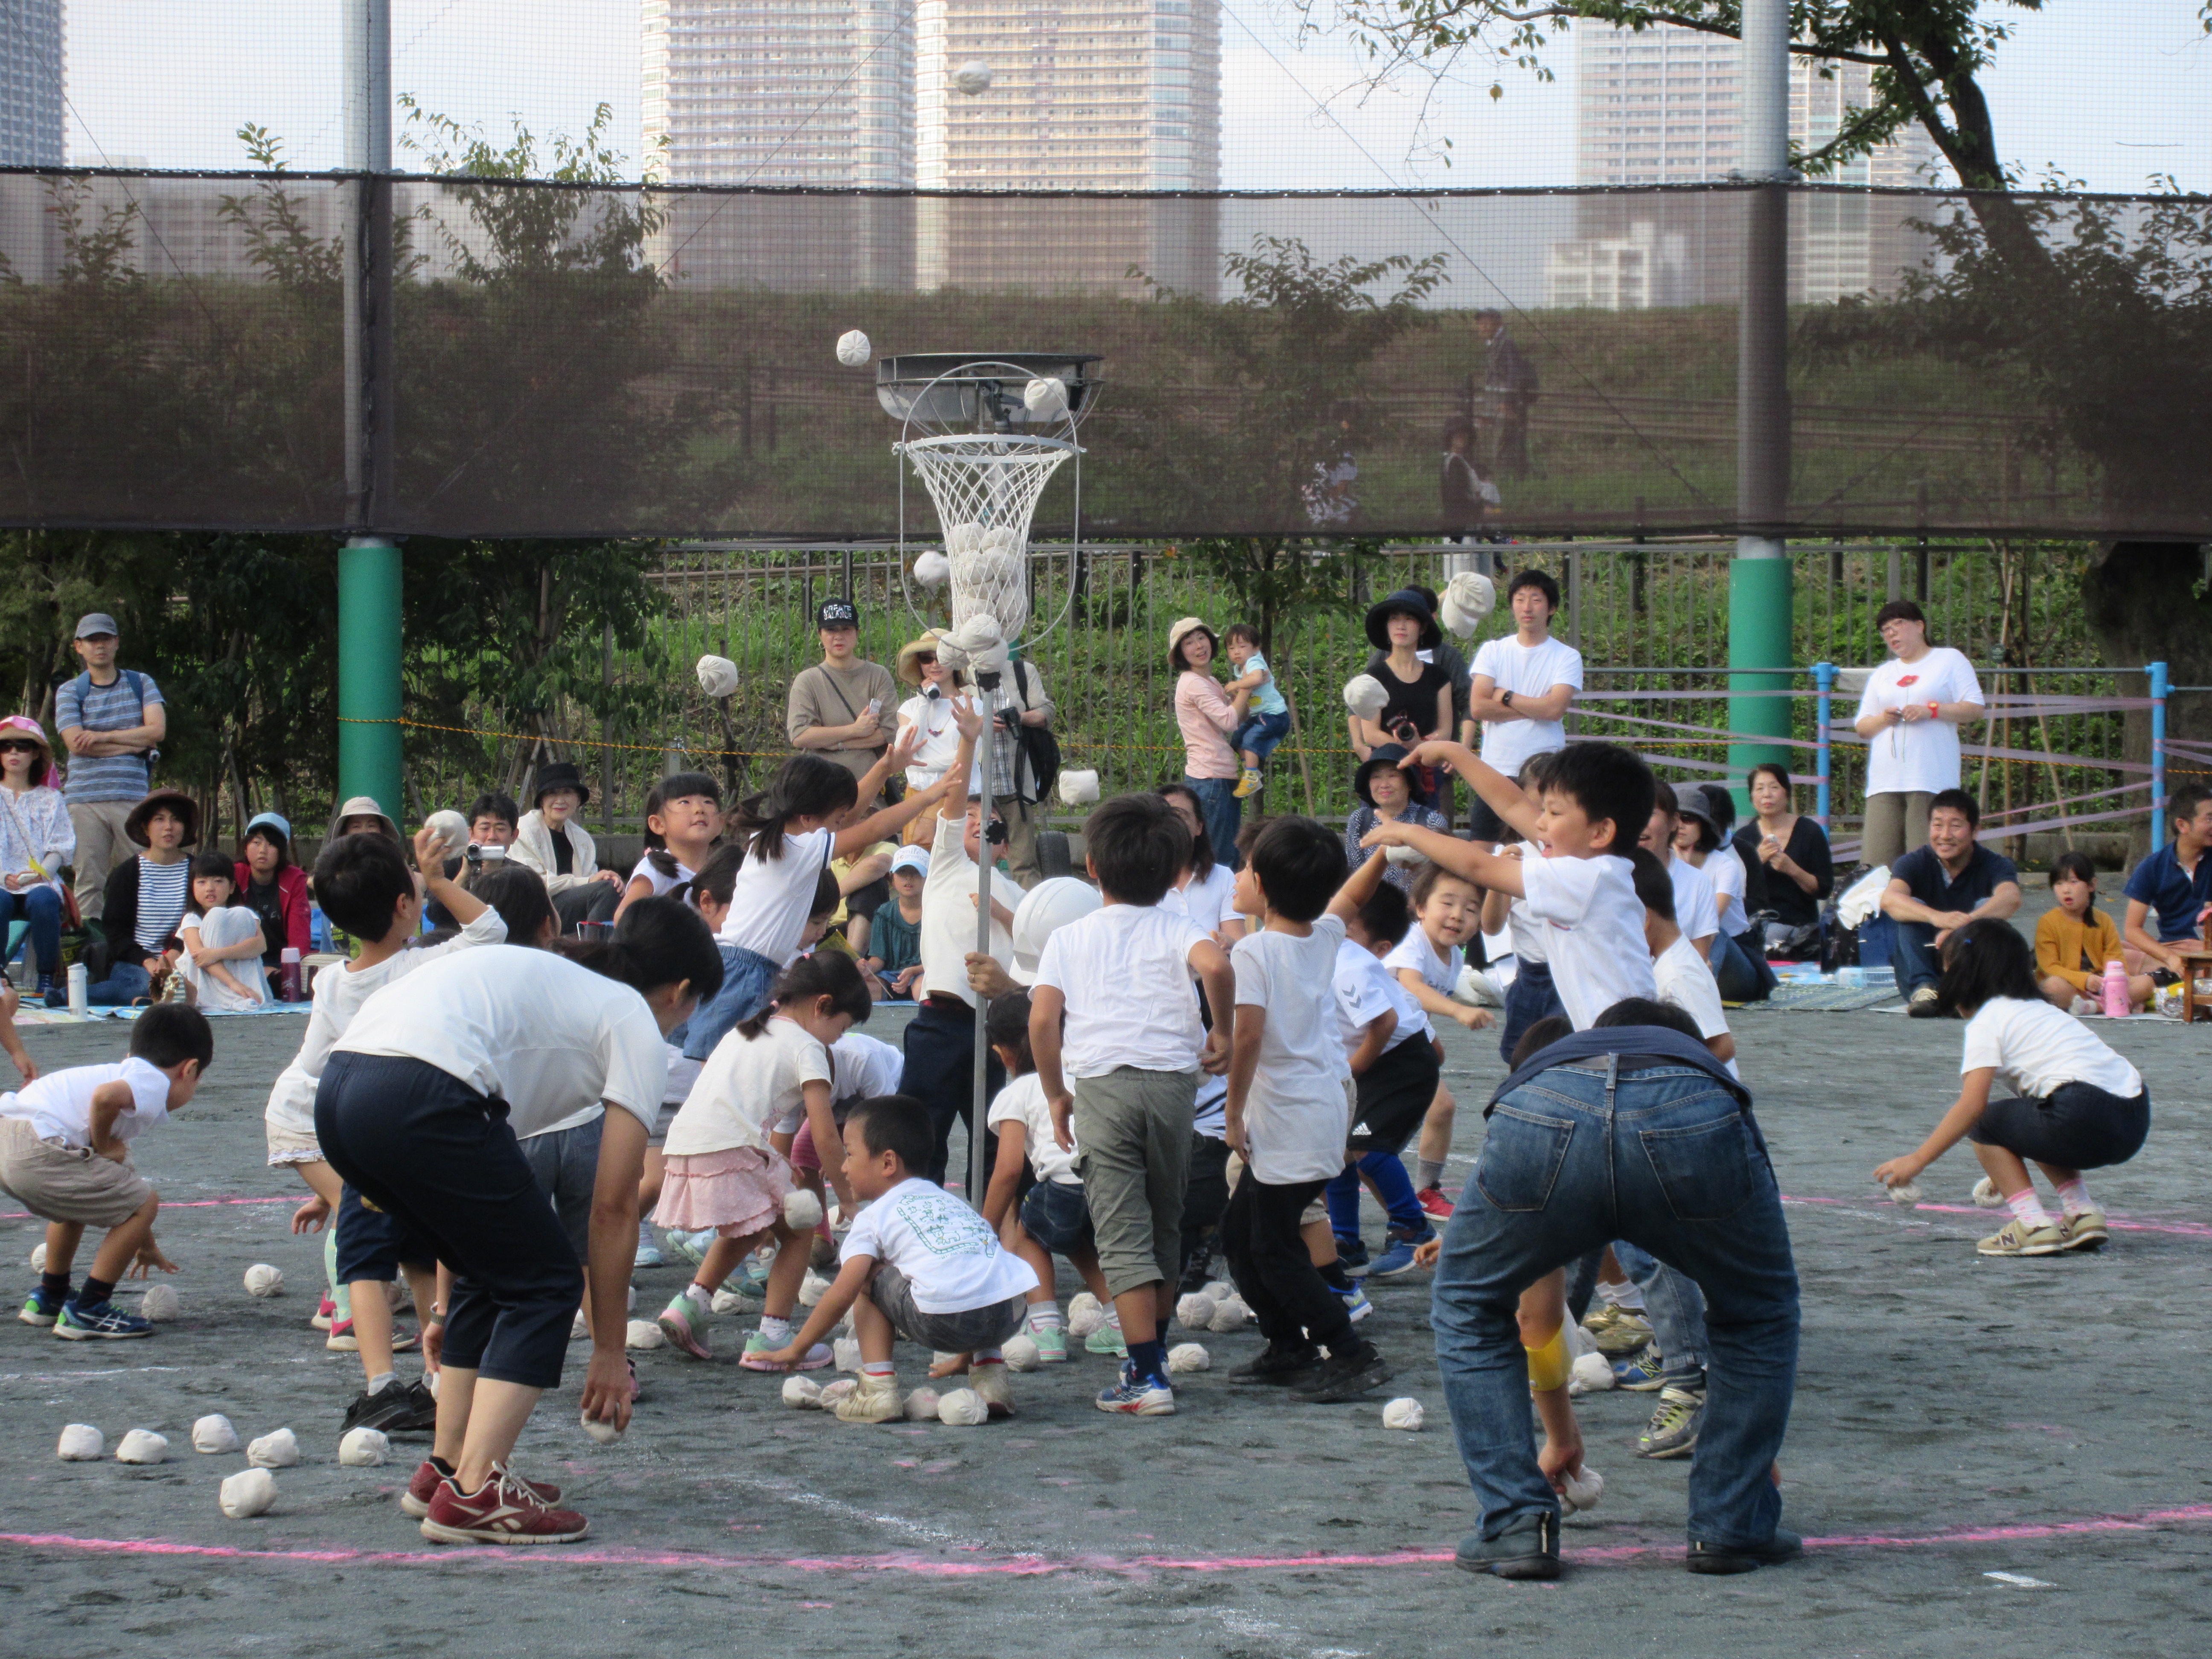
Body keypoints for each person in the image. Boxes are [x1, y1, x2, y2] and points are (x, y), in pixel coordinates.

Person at [318, 898, 720, 1545]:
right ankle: (477, 1491)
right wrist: (611, 1352)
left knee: (496, 1270)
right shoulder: (633, 1024)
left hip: (341, 1092)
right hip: (414, 1090)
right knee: (548, 1281)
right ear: (680, 991)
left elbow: (488, 1207)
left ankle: (447, 1469)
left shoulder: (554, 990)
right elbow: (614, 1204)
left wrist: (446, 1311)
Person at [1433, 999, 1801, 1580]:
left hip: (1543, 1111)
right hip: (1691, 1118)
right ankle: (1730, 1523)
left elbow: (1537, 1319)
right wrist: (1748, 1461)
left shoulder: (1560, 1059)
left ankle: (1515, 1524)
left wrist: (1560, 1431)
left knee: (1468, 1306)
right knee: (1759, 1314)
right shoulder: (1703, 1071)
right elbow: (1760, 1310)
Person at [268, 828, 507, 1428]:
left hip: (361, 1138)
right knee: (426, 1253)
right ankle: (436, 1379)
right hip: (421, 1134)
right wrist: (441, 879)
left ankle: (381, 1387)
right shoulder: (425, 965)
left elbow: (317, 1065)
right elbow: (491, 931)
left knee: (367, 1262)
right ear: (406, 905)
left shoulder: (329, 983)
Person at [1030, 793, 1236, 1416]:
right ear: (1178, 871)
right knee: (1163, 1220)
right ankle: (1152, 1356)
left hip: (1103, 1088)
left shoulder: (1069, 937)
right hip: (1174, 1088)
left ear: (1090, 867)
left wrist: (1055, 1094)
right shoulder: (1182, 927)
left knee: (1120, 1231)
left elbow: (1042, 1021)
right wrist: (1220, 1032)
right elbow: (1217, 967)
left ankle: (1147, 1377)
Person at [1219, 815, 1394, 1402]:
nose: (1238, 876)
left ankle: (1349, 1351)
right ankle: (1287, 1344)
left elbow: (1246, 1038)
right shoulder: (1322, 935)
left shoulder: (1254, 952)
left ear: (1263, 886)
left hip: (1289, 1119)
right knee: (1241, 1236)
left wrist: (1232, 1113)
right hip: (1317, 1110)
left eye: (1246, 869)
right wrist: (1385, 852)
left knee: (1271, 1246)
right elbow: (1355, 894)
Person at [759, 1094, 1040, 1423]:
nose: (843, 1167)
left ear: (888, 1163)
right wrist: (968, 1353)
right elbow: (978, 1284)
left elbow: (843, 1292)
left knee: (867, 1276)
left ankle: (878, 1391)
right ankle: (992, 1381)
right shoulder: (951, 1203)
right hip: (1011, 1312)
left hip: (944, 1320)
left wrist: (799, 1347)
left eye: (850, 1155)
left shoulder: (872, 1218)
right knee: (973, 1268)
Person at [1876, 919, 2148, 1257]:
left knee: (1985, 1121)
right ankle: (2082, 1212)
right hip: (2134, 1117)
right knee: (2037, 1107)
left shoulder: (1989, 1021)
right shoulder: (2043, 1011)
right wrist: (2006, 1167)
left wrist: (1916, 1160)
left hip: (2081, 1112)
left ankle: (2032, 1224)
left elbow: (1972, 1107)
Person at [653, 952, 872, 1367]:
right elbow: (825, 1134)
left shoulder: (749, 1030)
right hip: (732, 1146)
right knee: (798, 1228)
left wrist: (771, 1159)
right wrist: (847, 1198)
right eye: (841, 1029)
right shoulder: (808, 1048)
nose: (837, 1041)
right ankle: (772, 1335)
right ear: (822, 1005)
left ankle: (689, 1305)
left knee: (749, 1227)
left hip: (687, 1142)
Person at [681, 719, 939, 1063]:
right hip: (747, 973)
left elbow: (850, 817)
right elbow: (873, 827)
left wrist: (884, 768)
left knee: (735, 1062)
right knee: (714, 1062)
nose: (843, 824)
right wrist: (932, 795)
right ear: (807, 817)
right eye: (836, 818)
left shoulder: (775, 840)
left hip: (742, 967)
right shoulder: (796, 851)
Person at [1360, 740, 1657, 1032]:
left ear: (1601, 831)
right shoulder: (1591, 863)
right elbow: (1513, 805)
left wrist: (1409, 832)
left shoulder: (1582, 877)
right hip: (1618, 1042)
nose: (1540, 824)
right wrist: (1456, 753)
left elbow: (1478, 866)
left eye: (1554, 813)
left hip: (1623, 1050)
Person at [4, 1002, 210, 1340]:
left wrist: (146, 1246)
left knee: (80, 1199)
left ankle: (50, 1296)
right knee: (147, 1201)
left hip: (9, 1137)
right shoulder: (153, 1082)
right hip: (37, 1147)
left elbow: (125, 1187)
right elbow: (103, 1099)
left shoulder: (125, 1073)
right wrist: (102, 1144)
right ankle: (90, 1307)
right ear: (190, 1070)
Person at [978, 989, 1112, 1368]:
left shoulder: (1017, 1091)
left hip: (1063, 1183)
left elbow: (1007, 1170)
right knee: (1075, 1240)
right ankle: (1120, 1321)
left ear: (1003, 1052)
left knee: (1029, 1233)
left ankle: (1045, 1326)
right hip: (1105, 1179)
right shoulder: (1082, 1071)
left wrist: (985, 1226)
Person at [1327, 859, 1442, 1274]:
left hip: (1398, 1065)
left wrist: (1350, 1072)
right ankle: (1344, 1241)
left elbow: (1388, 1023)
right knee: (1336, 1151)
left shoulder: (1347, 962)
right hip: (1389, 1060)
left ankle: (1413, 1229)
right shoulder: (1327, 952)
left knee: (1367, 1149)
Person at [1851, 600, 1987, 868]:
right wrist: (1883, 718)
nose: (1891, 633)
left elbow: (1975, 708)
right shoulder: (1883, 674)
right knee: (1876, 869)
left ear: (1920, 626)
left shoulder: (1949, 660)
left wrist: (1932, 711)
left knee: (1927, 864)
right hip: (1885, 782)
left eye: (1898, 624)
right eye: (1885, 630)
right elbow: (1863, 727)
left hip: (1930, 778)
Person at [53, 612, 164, 928]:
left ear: (116, 643)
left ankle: (146, 947)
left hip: (132, 798)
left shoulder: (140, 683)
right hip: (85, 800)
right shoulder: (70, 691)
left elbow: (157, 731)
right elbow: (75, 743)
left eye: (105, 639)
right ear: (79, 646)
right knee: (89, 880)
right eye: (91, 640)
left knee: (142, 874)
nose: (99, 646)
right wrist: (134, 743)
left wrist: (102, 736)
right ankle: (91, 950)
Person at [1462, 570, 1582, 846]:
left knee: (1543, 847)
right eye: (1520, 599)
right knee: (1482, 851)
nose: (1527, 607)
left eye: (1536, 600)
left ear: (1551, 608)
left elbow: (1555, 710)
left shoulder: (1566, 656)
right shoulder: (1493, 651)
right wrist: (1535, 707)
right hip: (1495, 769)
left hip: (1544, 771)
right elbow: (1479, 707)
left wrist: (1505, 697)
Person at [1879, 789, 2021, 1015]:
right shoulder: (1914, 862)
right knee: (1909, 909)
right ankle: (1924, 990)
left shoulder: (1996, 864)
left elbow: (2011, 898)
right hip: (1926, 962)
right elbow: (1890, 900)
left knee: (1986, 906)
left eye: (1956, 826)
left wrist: (1966, 925)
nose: (1945, 835)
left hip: (1972, 970)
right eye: (1938, 825)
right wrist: (1936, 917)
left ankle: (1968, 992)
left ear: (1975, 830)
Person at [1482, 754, 1570, 1064]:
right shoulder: (1512, 853)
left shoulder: (1575, 855)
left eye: (1555, 803)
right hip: (1532, 975)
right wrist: (1499, 880)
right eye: (1540, 798)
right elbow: (1491, 926)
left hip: (1569, 971)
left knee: (1562, 1054)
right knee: (1520, 1056)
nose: (1545, 811)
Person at [1359, 586, 1473, 823]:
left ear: (1422, 627)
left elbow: (1445, 729)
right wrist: (1404, 747)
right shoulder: (1373, 676)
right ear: (1386, 627)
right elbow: (1370, 732)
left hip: (1427, 771)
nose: (1401, 626)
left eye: (1409, 619)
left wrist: (1419, 746)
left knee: (1431, 845)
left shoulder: (1439, 676)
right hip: (1387, 773)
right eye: (1394, 619)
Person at [79, 789, 197, 1007]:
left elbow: (202, 920)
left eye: (176, 820)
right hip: (136, 963)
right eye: (159, 820)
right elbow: (115, 931)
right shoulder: (129, 872)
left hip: (184, 959)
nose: (168, 827)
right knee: (147, 985)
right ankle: (73, 994)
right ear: (146, 827)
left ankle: (147, 1001)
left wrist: (174, 954)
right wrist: (149, 961)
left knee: (179, 986)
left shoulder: (196, 871)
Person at [787, 597, 898, 810]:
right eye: (830, 630)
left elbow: (890, 733)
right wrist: (855, 730)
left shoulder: (878, 676)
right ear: (820, 635)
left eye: (846, 629)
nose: (838, 636)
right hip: (821, 793)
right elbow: (800, 736)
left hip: (870, 792)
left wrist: (832, 743)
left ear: (857, 633)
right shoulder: (808, 680)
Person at [1167, 617, 1251, 869]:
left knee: (1227, 854)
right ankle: (1215, 909)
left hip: (1220, 775)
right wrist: (1247, 685)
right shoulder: (1193, 683)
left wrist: (1241, 697)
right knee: (1218, 859)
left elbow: (1237, 717)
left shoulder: (1210, 682)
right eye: (1189, 643)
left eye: (1201, 638)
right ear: (1182, 653)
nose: (1199, 646)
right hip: (1210, 778)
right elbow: (1228, 720)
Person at [0, 716, 73, 998]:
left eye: (23, 746)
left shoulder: (51, 798)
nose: (14, 753)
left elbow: (61, 847)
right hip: (0, 880)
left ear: (35, 754)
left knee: (44, 900)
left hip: (39, 879)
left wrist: (36, 875)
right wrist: (4, 877)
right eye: (6, 747)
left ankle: (45, 978)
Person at [1675, 788, 1768, 1003]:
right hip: (1684, 955)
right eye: (1675, 819)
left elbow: (1711, 919)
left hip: (1736, 962)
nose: (1680, 826)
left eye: (1688, 819)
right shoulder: (1662, 864)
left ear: (1704, 825)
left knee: (1716, 933)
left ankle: (1696, 999)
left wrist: (1686, 871)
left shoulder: (1725, 865)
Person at [511, 762, 622, 931]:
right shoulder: (524, 830)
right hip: (535, 909)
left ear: (578, 800)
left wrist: (608, 880)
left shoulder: (582, 838)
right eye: (552, 793)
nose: (560, 800)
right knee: (604, 891)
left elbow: (593, 883)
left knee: (612, 888)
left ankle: (596, 944)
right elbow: (535, 884)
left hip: (567, 909)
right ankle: (595, 950)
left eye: (568, 793)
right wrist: (588, 882)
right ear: (542, 800)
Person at [2037, 851, 2151, 1012]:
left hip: (2103, 986)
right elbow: (2050, 967)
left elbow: (2115, 958)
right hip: (2070, 986)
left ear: (2092, 885)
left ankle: (2093, 1007)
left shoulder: (2103, 920)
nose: (2066, 890)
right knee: (2052, 987)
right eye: (2059, 884)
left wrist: (2112, 980)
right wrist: (2084, 980)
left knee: (2146, 983)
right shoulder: (2048, 922)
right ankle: (2116, 1003)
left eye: (2074, 882)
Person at [2121, 783, 2212, 980]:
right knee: (2113, 952)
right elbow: (2132, 929)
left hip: (2208, 950)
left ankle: (2165, 978)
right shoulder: (2153, 867)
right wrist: (2170, 958)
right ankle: (2171, 974)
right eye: (2209, 818)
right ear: (2182, 825)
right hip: (2172, 950)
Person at [984, 649, 1058, 891]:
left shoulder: (1021, 671)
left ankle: (1031, 921)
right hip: (974, 787)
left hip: (1015, 781)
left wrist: (1017, 718)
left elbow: (1047, 713)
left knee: (1023, 864)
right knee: (973, 861)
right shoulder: (960, 674)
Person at [1737, 762, 1832, 943]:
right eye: (1760, 789)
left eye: (1774, 787)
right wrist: (1756, 861)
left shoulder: (1810, 832)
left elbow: (1823, 890)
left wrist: (1793, 870)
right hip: (1755, 926)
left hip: (1800, 928)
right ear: (1752, 797)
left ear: (1787, 794)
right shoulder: (1743, 838)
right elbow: (1733, 889)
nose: (1767, 794)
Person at [1342, 743, 1449, 899]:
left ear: (1409, 783)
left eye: (1393, 775)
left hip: (1417, 909)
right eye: (1376, 777)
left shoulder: (1431, 821)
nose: (1384, 784)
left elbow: (1440, 876)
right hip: (1372, 909)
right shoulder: (1359, 820)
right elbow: (1354, 872)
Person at [172, 851, 271, 1011]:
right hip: (206, 985)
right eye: (202, 882)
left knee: (241, 913)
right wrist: (234, 985)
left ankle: (247, 994)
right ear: (192, 887)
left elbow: (261, 945)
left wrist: (219, 954)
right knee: (216, 915)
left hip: (241, 983)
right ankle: (227, 996)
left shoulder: (244, 916)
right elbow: (200, 957)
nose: (210, 889)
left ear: (232, 887)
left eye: (218, 881)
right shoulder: (192, 919)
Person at [892, 631, 966, 844]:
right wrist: (924, 702)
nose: (934, 664)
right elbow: (903, 751)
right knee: (918, 869)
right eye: (927, 658)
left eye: (941, 657)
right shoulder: (910, 707)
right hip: (919, 796)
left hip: (959, 795)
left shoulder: (973, 705)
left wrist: (916, 765)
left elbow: (965, 758)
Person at [617, 772, 724, 918]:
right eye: (685, 802)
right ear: (658, 824)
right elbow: (623, 917)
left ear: (720, 824)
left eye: (708, 802)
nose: (700, 809)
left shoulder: (729, 871)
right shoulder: (655, 872)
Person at [1158, 783, 1245, 949]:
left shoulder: (1223, 877)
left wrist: (1228, 943)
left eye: (1180, 815)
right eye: (1164, 816)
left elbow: (1238, 942)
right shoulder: (1138, 879)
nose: (1172, 824)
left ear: (1199, 826)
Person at [1642, 780, 1719, 963]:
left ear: (1674, 822)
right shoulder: (1606, 876)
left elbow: (1698, 962)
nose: (1639, 822)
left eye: (1650, 813)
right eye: (1632, 812)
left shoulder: (1697, 883)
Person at [233, 812, 310, 994]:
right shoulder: (233, 875)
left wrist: (290, 970)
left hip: (282, 963)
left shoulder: (294, 879)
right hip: (241, 960)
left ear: (282, 851)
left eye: (271, 844)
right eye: (257, 842)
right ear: (246, 848)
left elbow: (300, 936)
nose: (263, 850)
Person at [1222, 623, 1292, 800]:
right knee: (1237, 740)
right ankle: (1250, 772)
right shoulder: (1240, 667)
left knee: (1251, 740)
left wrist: (1237, 685)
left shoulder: (1254, 662)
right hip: (1258, 715)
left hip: (1273, 715)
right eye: (1232, 648)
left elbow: (1257, 679)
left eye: (1242, 646)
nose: (1237, 652)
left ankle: (1252, 776)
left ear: (1256, 648)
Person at [1474, 308, 1538, 480]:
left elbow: (1513, 373)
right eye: (1480, 324)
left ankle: (1509, 478)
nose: (1482, 327)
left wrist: (1507, 402)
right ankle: (1505, 477)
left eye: (1486, 323)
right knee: (1498, 440)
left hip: (1507, 404)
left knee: (1505, 441)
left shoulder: (1506, 343)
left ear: (1498, 323)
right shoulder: (1494, 344)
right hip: (1496, 402)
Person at [864, 844, 927, 1000]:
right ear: (892, 877)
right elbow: (879, 957)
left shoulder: (937, 911)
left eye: (916, 873)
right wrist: (868, 968)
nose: (908, 878)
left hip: (925, 972)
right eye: (902, 872)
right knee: (864, 987)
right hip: (892, 976)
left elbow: (942, 958)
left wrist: (915, 970)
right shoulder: (884, 913)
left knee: (922, 989)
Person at [1440, 413, 1500, 544]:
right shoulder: (1453, 462)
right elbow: (1458, 496)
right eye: (1458, 434)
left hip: (1469, 527)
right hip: (1460, 532)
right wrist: (1480, 508)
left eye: (1465, 434)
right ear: (1450, 438)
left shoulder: (1461, 461)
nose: (1462, 437)